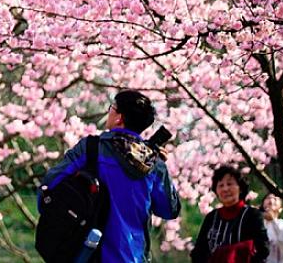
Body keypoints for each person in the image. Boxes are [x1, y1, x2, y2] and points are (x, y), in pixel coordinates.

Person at [41, 89, 181, 262]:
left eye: (111, 108)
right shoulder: (154, 164)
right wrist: (161, 167)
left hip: (87, 253)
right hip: (133, 257)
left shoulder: (90, 148)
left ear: (119, 118)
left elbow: (50, 185)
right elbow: (170, 209)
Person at [191, 165, 269, 262]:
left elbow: (263, 250)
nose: (225, 189)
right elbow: (199, 251)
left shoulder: (252, 215)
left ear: (240, 188)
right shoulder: (212, 217)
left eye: (229, 184)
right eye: (220, 185)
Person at [262, 194, 283, 263]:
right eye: (268, 198)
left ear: (280, 209)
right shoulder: (258, 224)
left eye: (275, 198)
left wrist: (273, 220)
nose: (271, 200)